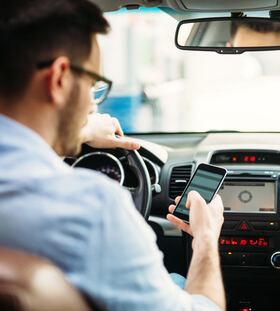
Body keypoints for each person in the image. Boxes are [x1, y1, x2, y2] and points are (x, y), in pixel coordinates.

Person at [0, 1, 226, 310]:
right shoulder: (90, 209)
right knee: (176, 281)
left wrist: (77, 131)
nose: (93, 106)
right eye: (93, 86)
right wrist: (206, 237)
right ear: (60, 80)